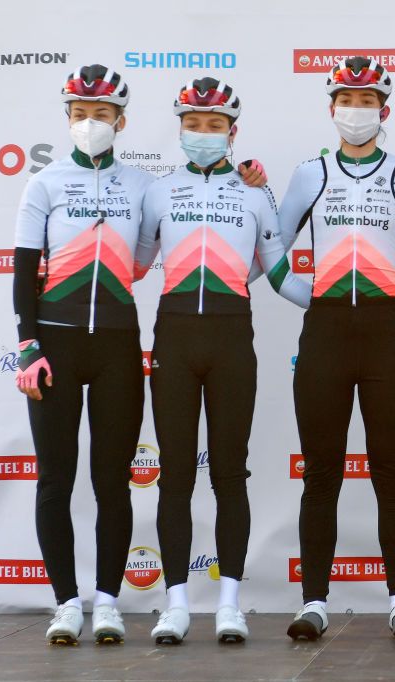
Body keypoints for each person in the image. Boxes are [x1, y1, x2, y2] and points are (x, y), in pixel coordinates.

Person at [133, 78, 311, 645]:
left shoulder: (257, 192)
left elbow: (278, 271)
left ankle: (230, 603)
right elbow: (132, 265)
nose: (203, 133)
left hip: (233, 338)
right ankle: (177, 604)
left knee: (231, 474)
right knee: (176, 477)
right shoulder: (157, 193)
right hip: (175, 338)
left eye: (214, 125)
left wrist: (339, 297)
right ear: (180, 127)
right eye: (193, 123)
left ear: (232, 133)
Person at [276, 57, 395, 642]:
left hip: (384, 333)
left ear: (384, 110)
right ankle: (314, 602)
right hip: (324, 334)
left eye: (367, 100)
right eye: (347, 100)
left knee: (392, 473)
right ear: (331, 109)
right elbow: (271, 251)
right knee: (321, 474)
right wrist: (313, 300)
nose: (356, 110)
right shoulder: (309, 174)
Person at [13, 64, 153, 644]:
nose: (89, 123)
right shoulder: (43, 183)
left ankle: (109, 601)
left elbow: (143, 260)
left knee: (112, 481)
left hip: (118, 343)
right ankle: (66, 603)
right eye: (79, 113)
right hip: (56, 344)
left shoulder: (143, 184)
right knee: (55, 479)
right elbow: (24, 269)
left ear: (120, 120)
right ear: (66, 118)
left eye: (99, 114)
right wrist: (28, 347)